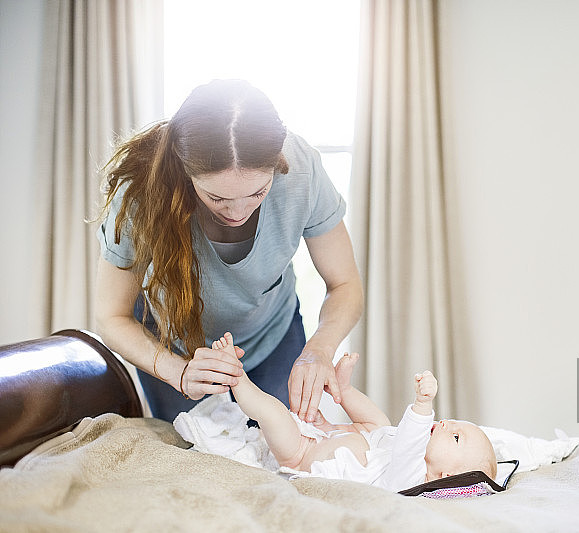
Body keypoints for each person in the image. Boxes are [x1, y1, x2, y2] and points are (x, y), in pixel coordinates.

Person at [95, 79, 363, 424]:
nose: (237, 213)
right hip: (171, 344)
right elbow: (111, 317)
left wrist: (319, 350)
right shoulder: (139, 194)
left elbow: (345, 285)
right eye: (217, 198)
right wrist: (178, 372)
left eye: (257, 193)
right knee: (193, 457)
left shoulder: (302, 171)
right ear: (184, 168)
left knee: (280, 453)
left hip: (273, 336)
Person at [212, 332, 498, 491]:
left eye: (456, 437)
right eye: (455, 424)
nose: (447, 423)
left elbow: (409, 446)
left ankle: (236, 377)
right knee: (380, 424)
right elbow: (397, 438)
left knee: (273, 412)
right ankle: (344, 390)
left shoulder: (413, 479)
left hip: (300, 453)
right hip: (330, 436)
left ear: (446, 475)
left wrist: (423, 406)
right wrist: (331, 430)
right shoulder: (405, 448)